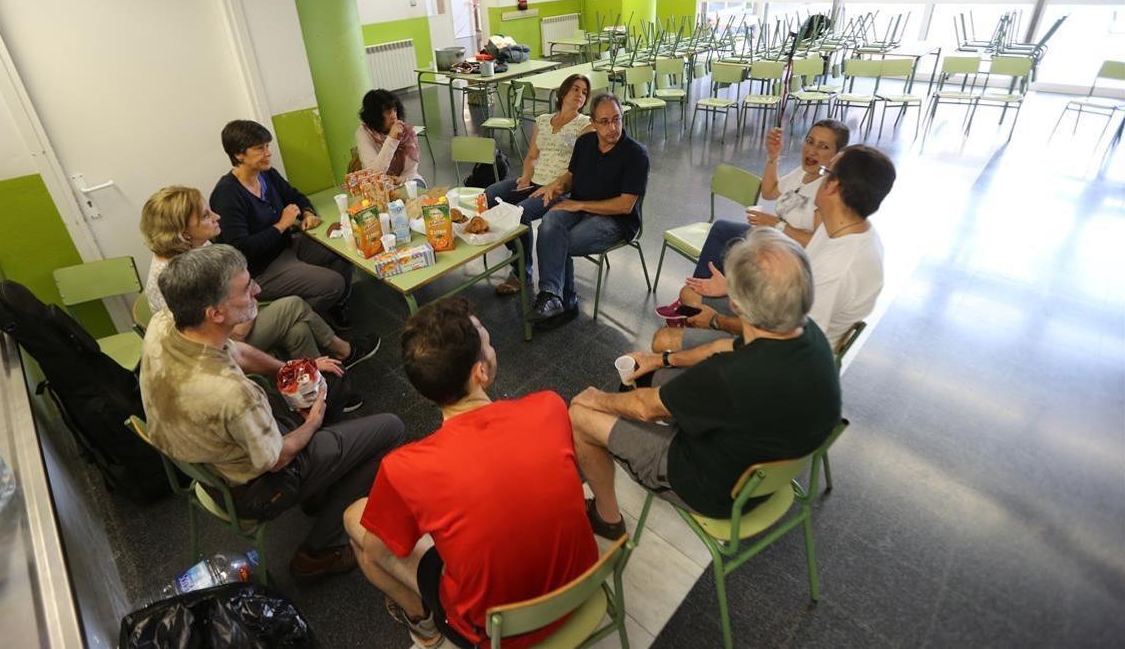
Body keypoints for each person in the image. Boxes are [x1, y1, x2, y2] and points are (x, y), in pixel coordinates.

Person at [343, 298, 598, 649]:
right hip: (583, 589)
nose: (491, 347)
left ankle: (423, 626)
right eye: (487, 341)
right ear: (480, 372)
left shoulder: (405, 468)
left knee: (356, 522)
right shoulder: (549, 406)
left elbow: (380, 551)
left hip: (495, 633)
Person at [139, 244, 404, 580]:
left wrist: (294, 369)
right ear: (216, 313)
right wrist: (313, 421)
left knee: (328, 383)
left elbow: (237, 352)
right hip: (257, 484)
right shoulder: (232, 394)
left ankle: (322, 486)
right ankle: (317, 551)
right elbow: (276, 458)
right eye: (246, 288)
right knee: (391, 429)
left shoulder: (167, 324)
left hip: (219, 453)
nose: (258, 290)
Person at [568, 228, 840, 534]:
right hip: (765, 466)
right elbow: (721, 346)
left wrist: (595, 399)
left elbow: (646, 409)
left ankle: (607, 518)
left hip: (713, 488)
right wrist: (661, 359)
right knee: (647, 377)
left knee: (580, 415)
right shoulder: (807, 333)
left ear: (735, 304)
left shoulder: (729, 376)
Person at [655, 144, 895, 352]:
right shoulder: (844, 227)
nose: (819, 176)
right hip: (785, 316)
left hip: (788, 351)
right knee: (691, 294)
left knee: (663, 340)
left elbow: (787, 338)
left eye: (825, 170)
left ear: (833, 186)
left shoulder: (836, 268)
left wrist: (717, 321)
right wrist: (733, 288)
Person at [139, 186, 379, 366]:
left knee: (298, 330)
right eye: (205, 215)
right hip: (219, 351)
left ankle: (320, 390)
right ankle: (344, 352)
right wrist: (249, 302)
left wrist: (247, 299)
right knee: (294, 305)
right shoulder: (177, 278)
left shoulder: (194, 248)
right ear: (182, 233)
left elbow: (246, 289)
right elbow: (234, 332)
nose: (217, 216)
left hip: (232, 322)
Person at [655, 120, 848, 323]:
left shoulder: (827, 190)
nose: (812, 150)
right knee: (722, 228)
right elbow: (769, 191)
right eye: (810, 141)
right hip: (774, 236)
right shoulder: (802, 174)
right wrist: (773, 157)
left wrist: (777, 225)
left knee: (735, 246)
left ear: (837, 156)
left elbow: (815, 241)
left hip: (789, 256)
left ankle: (699, 303)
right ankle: (698, 293)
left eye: (823, 146)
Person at [210, 119, 356, 327]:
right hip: (262, 269)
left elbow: (295, 196)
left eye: (267, 146)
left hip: (287, 247)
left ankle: (336, 304)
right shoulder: (227, 194)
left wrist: (307, 213)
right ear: (238, 154)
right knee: (333, 283)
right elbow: (240, 249)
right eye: (260, 148)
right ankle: (299, 323)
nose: (268, 153)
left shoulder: (266, 174)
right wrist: (281, 225)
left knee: (342, 251)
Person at [523, 92, 650, 327]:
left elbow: (625, 205)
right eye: (604, 122)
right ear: (592, 123)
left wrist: (579, 204)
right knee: (550, 222)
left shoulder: (636, 154)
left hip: (616, 221)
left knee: (559, 241)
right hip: (581, 205)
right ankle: (552, 295)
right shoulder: (585, 143)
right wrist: (559, 185)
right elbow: (572, 176)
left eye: (617, 119)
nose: (613, 127)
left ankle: (566, 300)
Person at [483, 74, 593, 295]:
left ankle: (522, 273)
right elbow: (532, 155)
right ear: (563, 93)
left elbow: (578, 167)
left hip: (559, 188)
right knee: (490, 194)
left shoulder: (585, 125)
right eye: (575, 89)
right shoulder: (543, 120)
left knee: (520, 213)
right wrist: (525, 177)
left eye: (584, 92)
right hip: (533, 181)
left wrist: (553, 185)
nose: (580, 95)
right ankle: (517, 254)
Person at [355, 89, 425, 187]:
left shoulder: (406, 131)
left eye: (395, 110)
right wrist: (392, 140)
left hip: (407, 179)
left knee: (418, 186)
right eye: (388, 112)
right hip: (379, 185)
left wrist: (403, 179)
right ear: (375, 116)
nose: (394, 116)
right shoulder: (364, 133)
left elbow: (412, 168)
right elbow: (374, 173)